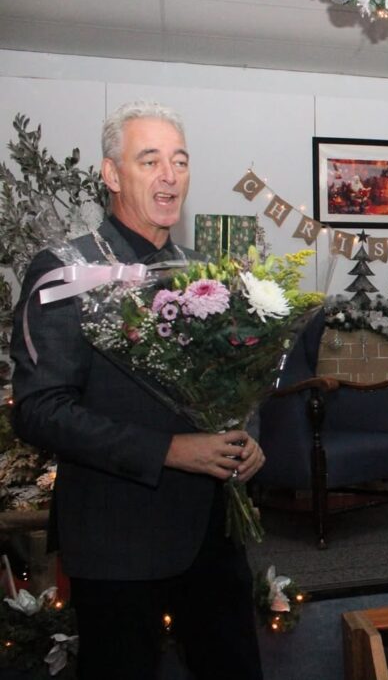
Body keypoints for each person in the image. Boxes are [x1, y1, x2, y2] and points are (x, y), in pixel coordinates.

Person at [11, 101, 265, 679]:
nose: (169, 175)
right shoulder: (66, 273)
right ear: (111, 173)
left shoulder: (206, 274)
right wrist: (169, 450)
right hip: (116, 539)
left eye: (180, 161)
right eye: (149, 161)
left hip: (210, 535)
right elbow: (39, 410)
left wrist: (249, 434)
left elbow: (240, 380)